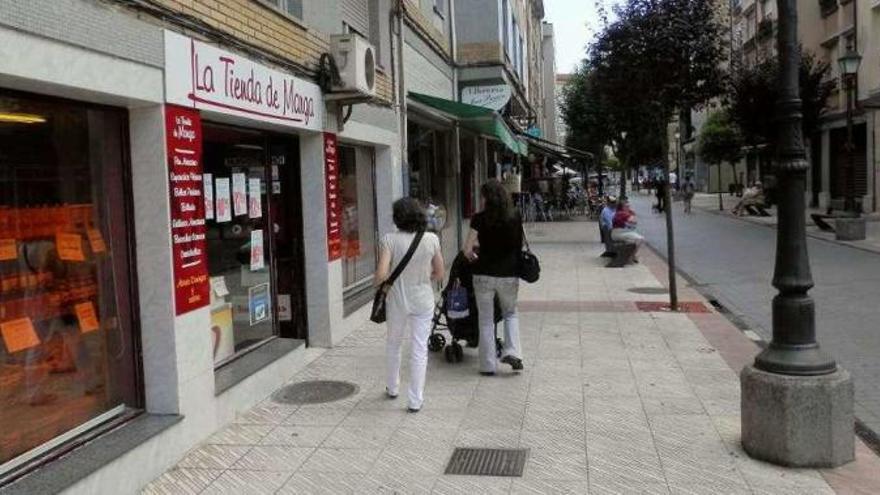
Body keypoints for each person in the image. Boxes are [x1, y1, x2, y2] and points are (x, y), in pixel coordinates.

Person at [375, 198, 444, 412]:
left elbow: (380, 276)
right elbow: (440, 272)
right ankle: (415, 400)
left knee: (394, 344)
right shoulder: (431, 239)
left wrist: (385, 283)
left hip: (397, 301)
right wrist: (422, 278)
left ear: (397, 218)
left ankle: (393, 387)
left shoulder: (389, 240)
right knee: (419, 348)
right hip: (423, 299)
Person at [463, 180, 524, 375]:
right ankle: (512, 351)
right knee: (510, 313)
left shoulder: (479, 218)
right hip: (509, 274)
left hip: (483, 274)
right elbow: (518, 245)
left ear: (486, 198)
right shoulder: (515, 216)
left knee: (486, 320)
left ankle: (488, 365)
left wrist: (474, 257)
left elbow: (467, 250)